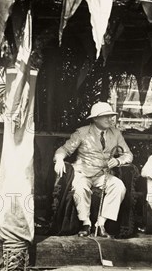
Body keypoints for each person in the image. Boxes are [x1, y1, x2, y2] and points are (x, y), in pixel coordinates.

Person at [54, 102, 133, 238]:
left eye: (111, 116)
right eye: (105, 117)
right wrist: (59, 159)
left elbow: (128, 154)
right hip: (82, 173)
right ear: (95, 119)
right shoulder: (82, 132)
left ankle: (100, 224)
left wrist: (118, 160)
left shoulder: (115, 133)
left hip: (103, 174)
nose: (110, 119)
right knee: (80, 188)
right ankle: (86, 223)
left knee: (119, 186)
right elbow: (64, 150)